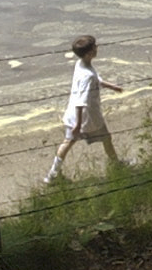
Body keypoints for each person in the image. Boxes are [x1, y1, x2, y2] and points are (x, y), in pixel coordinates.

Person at [44, 35, 123, 182]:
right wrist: (79, 124)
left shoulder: (80, 64)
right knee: (106, 138)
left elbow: (95, 79)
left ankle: (52, 174)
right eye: (95, 47)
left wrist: (110, 86)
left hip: (72, 115)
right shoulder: (87, 75)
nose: (97, 48)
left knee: (67, 142)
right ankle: (116, 164)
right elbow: (82, 101)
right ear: (89, 53)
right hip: (87, 118)